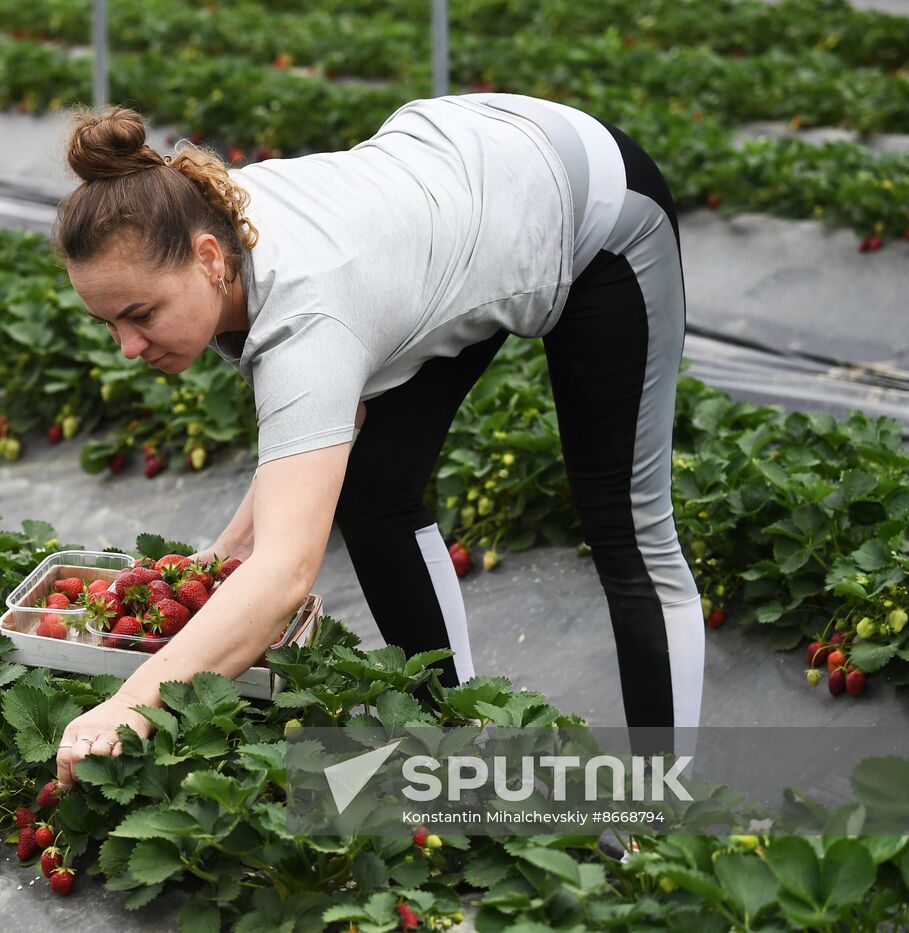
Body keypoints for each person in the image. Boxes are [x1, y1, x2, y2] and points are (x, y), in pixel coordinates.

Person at [50, 93, 705, 789]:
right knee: (371, 491)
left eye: (139, 314)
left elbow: (287, 575)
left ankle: (661, 813)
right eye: (107, 324)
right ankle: (458, 753)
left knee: (626, 525)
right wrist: (225, 552)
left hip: (589, 203)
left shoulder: (306, 311)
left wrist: (129, 702)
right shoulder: (203, 225)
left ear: (209, 258)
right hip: (452, 200)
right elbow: (323, 429)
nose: (126, 345)